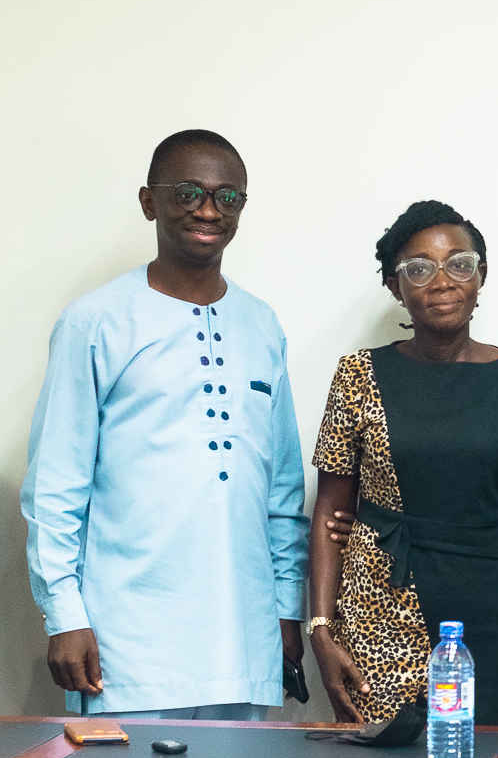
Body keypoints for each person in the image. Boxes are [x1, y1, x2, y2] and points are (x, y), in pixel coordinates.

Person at [21, 129, 307, 719]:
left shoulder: (261, 324)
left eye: (228, 197)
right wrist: (64, 615)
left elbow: (282, 488)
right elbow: (55, 484)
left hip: (245, 644)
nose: (208, 209)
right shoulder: (94, 322)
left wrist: (285, 609)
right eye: (187, 192)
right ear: (149, 202)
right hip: (127, 650)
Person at [306, 200, 498, 726]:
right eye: (418, 268)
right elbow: (330, 512)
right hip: (380, 621)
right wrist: (322, 630)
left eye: (459, 264)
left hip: (491, 618)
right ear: (396, 287)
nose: (441, 281)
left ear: (480, 275)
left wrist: (441, 530)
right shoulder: (358, 374)